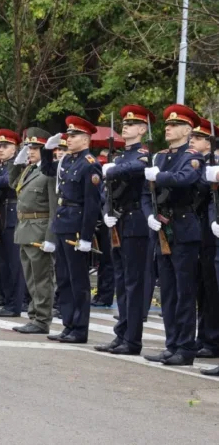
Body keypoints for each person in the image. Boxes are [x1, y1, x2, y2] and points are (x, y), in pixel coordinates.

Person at [142, 104, 202, 366]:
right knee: (167, 291)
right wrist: (150, 215)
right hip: (162, 229)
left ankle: (185, 348)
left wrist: (161, 176)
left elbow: (185, 178)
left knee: (184, 291)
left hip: (184, 229)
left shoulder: (191, 155)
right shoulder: (161, 156)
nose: (168, 128)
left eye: (175, 125)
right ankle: (171, 344)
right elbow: (147, 194)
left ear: (188, 130)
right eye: (167, 124)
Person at [95, 105, 154, 355]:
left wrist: (112, 170)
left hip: (135, 223)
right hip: (117, 222)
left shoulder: (142, 154)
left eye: (131, 124)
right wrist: (107, 211)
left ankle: (133, 339)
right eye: (124, 124)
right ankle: (121, 333)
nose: (125, 127)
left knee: (133, 281)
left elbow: (138, 170)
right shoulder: (119, 156)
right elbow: (106, 191)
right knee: (121, 280)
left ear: (142, 129)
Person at [41, 116, 102, 344]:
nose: (70, 138)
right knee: (64, 278)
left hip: (77, 225)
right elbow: (48, 169)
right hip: (63, 221)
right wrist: (48, 150)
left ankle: (80, 328)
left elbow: (92, 203)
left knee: (78, 281)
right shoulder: (67, 161)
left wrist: (86, 236)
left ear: (86, 138)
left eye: (74, 135)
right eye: (69, 134)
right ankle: (68, 324)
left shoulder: (89, 163)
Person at [9, 128, 57, 334]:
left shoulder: (49, 171)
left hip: (40, 228)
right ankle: (34, 316)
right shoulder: (29, 170)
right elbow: (13, 184)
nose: (30, 151)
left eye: (35, 148)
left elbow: (54, 207)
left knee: (42, 278)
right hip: (25, 228)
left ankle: (42, 319)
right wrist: (17, 163)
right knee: (31, 277)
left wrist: (50, 237)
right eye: (28, 147)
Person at [186, 117, 219, 361]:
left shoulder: (214, 164)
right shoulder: (195, 163)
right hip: (198, 228)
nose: (193, 141)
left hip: (211, 230)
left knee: (212, 287)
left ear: (210, 143)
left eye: (198, 138)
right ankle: (203, 336)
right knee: (201, 287)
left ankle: (212, 338)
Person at [0, 129, 26, 317]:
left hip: (13, 215)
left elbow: (13, 182)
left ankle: (15, 304)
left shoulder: (18, 165)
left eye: (5, 146)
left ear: (15, 148)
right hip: (1, 215)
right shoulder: (2, 166)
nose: (0, 150)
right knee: (3, 263)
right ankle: (8, 300)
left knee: (14, 263)